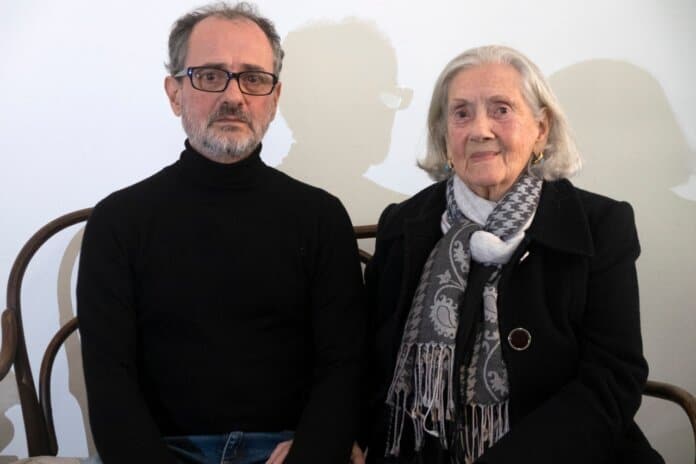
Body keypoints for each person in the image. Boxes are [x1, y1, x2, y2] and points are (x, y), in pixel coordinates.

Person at [77, 3, 365, 464]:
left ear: (274, 97)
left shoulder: (321, 218)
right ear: (174, 93)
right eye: (210, 76)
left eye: (253, 78)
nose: (234, 96)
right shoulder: (118, 222)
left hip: (288, 450)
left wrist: (312, 452)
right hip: (163, 452)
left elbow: (344, 365)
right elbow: (111, 381)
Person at [363, 45, 663, 463]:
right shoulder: (404, 225)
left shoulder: (601, 226)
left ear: (541, 128)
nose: (480, 130)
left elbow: (614, 377)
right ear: (444, 135)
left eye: (501, 110)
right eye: (461, 113)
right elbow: (367, 359)